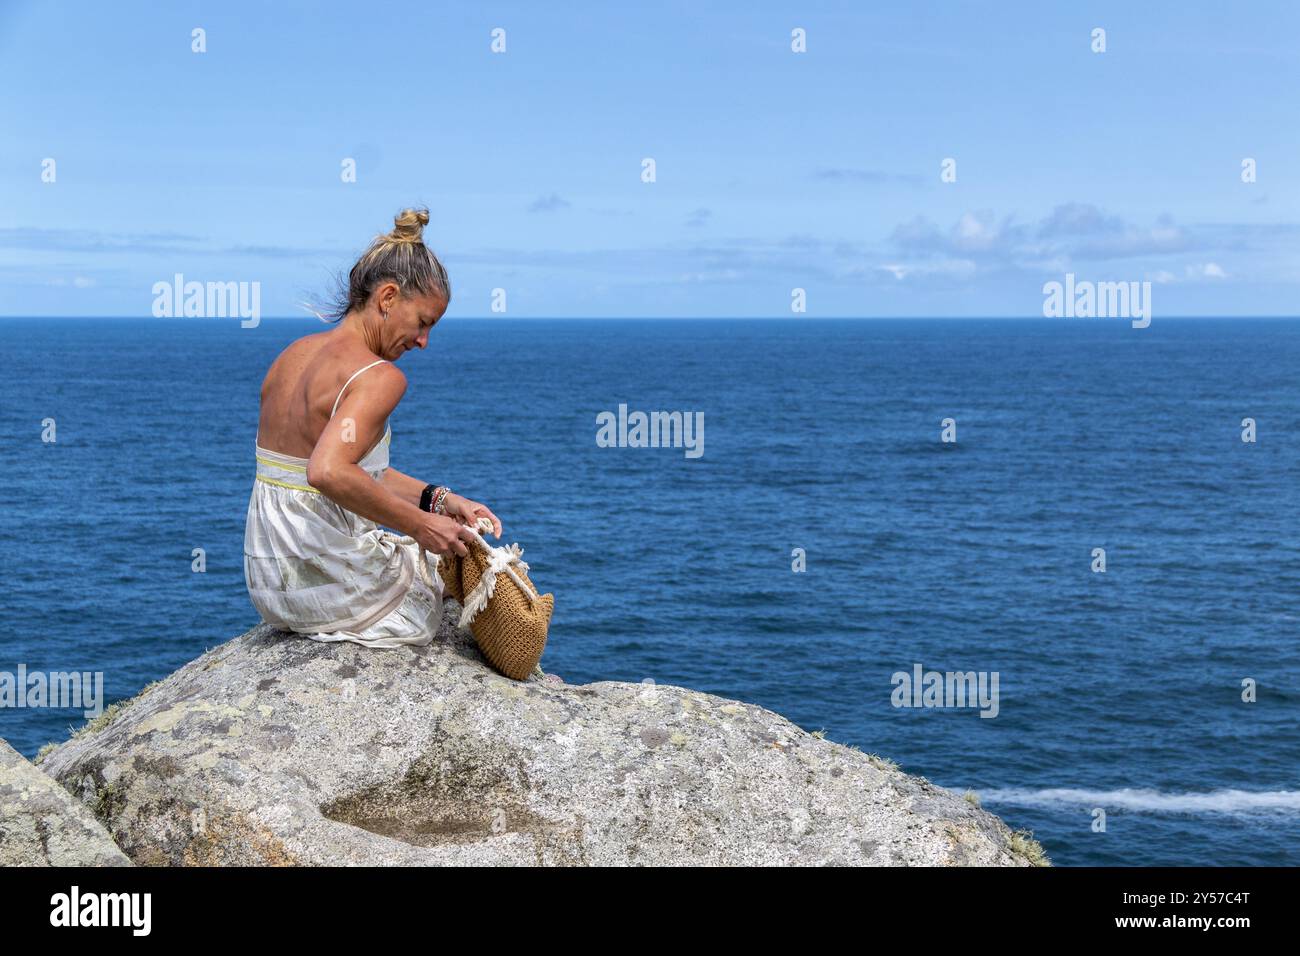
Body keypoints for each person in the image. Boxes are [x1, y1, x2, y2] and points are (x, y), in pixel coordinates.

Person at [243, 207, 501, 648]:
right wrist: (422, 526)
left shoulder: (293, 355)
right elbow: (326, 472)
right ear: (386, 298)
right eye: (423, 323)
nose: (423, 342)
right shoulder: (379, 377)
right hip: (322, 581)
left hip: (269, 582)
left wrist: (439, 500)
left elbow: (339, 469)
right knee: (455, 583)